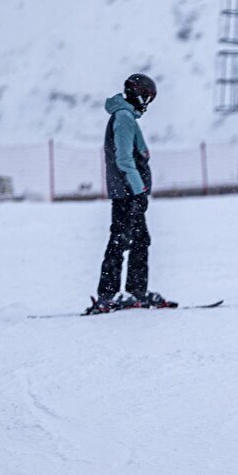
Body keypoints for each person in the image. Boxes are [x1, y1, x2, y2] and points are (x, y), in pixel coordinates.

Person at [86, 74, 172, 313]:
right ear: (137, 94)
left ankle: (136, 292)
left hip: (130, 193)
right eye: (146, 97)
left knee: (140, 240)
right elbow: (124, 159)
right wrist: (139, 191)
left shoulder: (126, 117)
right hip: (127, 193)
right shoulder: (123, 118)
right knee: (120, 241)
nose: (147, 103)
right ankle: (107, 296)